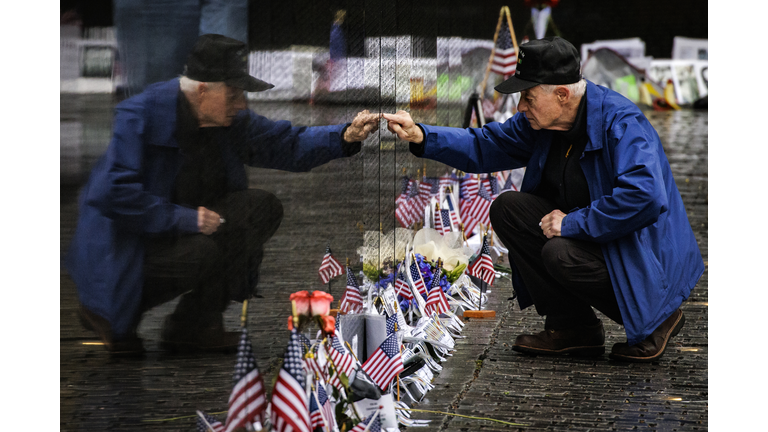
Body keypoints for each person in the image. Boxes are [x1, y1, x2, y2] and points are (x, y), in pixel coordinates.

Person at [383, 37, 704, 363]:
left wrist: (572, 223)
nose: (521, 106)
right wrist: (422, 136)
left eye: (528, 97)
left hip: (647, 256)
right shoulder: (544, 121)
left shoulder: (621, 123)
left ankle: (657, 316)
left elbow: (645, 197)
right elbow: (486, 145)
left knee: (559, 252)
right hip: (596, 237)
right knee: (508, 210)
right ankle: (574, 329)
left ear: (562, 94)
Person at [67, 34, 381, 356]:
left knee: (258, 209)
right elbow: (111, 194)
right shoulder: (141, 116)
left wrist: (344, 135)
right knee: (201, 252)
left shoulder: (229, 121)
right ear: (203, 89)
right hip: (122, 252)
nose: (241, 104)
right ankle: (113, 311)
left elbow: (286, 143)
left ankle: (192, 326)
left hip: (184, 235)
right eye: (233, 95)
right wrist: (187, 219)